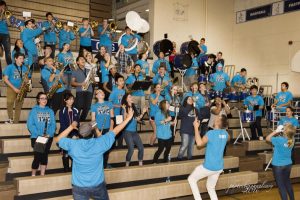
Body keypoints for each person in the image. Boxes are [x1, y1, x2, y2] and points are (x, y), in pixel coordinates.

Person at [55, 106, 134, 200]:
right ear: (92, 134)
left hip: (79, 186)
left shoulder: (73, 144)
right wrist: (128, 118)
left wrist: (71, 127)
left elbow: (57, 139)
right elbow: (116, 131)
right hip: (97, 185)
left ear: (79, 134)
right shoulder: (99, 143)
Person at [188, 115, 229, 200]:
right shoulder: (226, 134)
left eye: (217, 118)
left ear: (218, 122)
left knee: (191, 179)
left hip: (209, 167)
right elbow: (227, 137)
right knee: (210, 188)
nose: (214, 119)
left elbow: (199, 144)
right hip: (218, 168)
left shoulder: (211, 133)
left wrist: (196, 127)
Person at [27, 92, 56, 176]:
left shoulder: (50, 110)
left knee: (44, 156)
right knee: (37, 157)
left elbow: (53, 124)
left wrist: (49, 134)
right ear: (38, 100)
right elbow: (30, 124)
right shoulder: (34, 110)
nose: (44, 100)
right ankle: (33, 175)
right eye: (42, 98)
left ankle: (42, 174)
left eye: (45, 98)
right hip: (37, 137)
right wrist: (40, 134)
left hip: (48, 137)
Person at [266, 124, 296, 200]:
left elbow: (267, 138)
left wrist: (276, 131)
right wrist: (281, 132)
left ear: (285, 132)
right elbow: (285, 143)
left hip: (278, 165)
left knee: (281, 186)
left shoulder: (279, 139)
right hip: (288, 164)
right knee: (287, 182)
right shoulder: (292, 139)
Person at [91, 89, 114, 169]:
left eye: (103, 92)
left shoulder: (109, 103)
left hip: (108, 129)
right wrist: (97, 131)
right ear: (96, 96)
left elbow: (112, 117)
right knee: (98, 150)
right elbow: (93, 120)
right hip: (98, 130)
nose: (102, 93)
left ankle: (104, 166)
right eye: (100, 92)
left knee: (106, 149)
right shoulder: (94, 106)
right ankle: (97, 166)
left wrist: (111, 129)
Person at [3, 53, 29, 124]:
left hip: (21, 88)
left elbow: (27, 79)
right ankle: (10, 119)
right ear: (15, 58)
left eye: (23, 59)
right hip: (11, 87)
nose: (22, 60)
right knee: (10, 103)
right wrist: (14, 88)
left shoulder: (25, 68)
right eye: (20, 58)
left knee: (19, 105)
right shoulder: (9, 67)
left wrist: (26, 82)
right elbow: (5, 79)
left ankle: (16, 121)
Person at [121, 93, 147, 166]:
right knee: (131, 149)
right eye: (129, 97)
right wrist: (124, 111)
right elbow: (124, 120)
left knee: (141, 148)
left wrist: (143, 112)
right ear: (126, 99)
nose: (131, 97)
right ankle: (127, 164)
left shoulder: (134, 107)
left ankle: (140, 163)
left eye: (131, 96)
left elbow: (137, 119)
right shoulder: (124, 108)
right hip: (127, 131)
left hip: (134, 132)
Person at [59, 92, 80, 172]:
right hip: (65, 135)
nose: (71, 101)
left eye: (72, 99)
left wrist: (75, 134)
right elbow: (62, 124)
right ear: (65, 100)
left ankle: (73, 169)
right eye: (69, 99)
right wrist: (68, 135)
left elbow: (78, 123)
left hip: (74, 135)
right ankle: (66, 169)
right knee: (66, 153)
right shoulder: (62, 110)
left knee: (74, 153)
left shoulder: (76, 110)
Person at [71, 56, 93, 121]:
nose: (83, 60)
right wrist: (81, 84)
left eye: (83, 59)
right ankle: (76, 121)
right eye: (81, 59)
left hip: (89, 90)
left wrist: (93, 78)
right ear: (77, 62)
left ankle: (81, 121)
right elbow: (72, 83)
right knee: (78, 107)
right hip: (80, 91)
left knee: (87, 107)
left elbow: (93, 81)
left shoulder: (89, 70)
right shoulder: (75, 71)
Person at [177, 96, 199, 160]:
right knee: (184, 145)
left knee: (191, 146)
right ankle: (179, 157)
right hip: (185, 129)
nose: (191, 100)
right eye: (189, 99)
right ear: (186, 100)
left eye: (192, 99)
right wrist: (190, 106)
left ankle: (189, 158)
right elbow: (183, 114)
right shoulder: (182, 108)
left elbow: (199, 117)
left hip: (193, 130)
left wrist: (198, 121)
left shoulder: (195, 109)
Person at [109, 75, 125, 147]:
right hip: (116, 114)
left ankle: (120, 145)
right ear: (116, 82)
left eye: (123, 80)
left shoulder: (123, 91)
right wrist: (118, 106)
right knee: (115, 130)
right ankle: (113, 145)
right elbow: (109, 103)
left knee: (120, 129)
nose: (122, 82)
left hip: (122, 113)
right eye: (120, 81)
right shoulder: (114, 91)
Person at [0, 0, 12, 69]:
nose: (2, 7)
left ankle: (10, 68)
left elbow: (9, 24)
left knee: (8, 52)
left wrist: (6, 16)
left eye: (4, 6)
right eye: (1, 6)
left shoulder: (7, 13)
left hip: (6, 34)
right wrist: (1, 13)